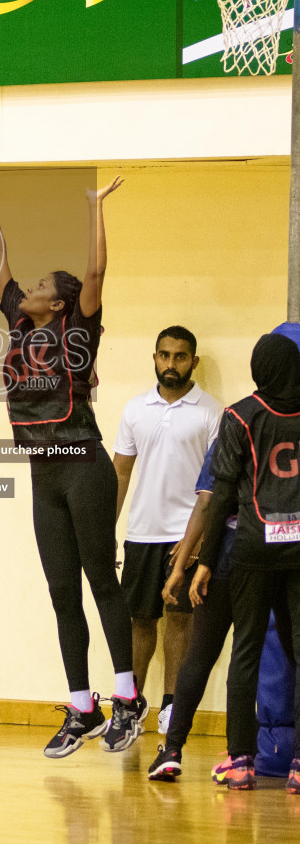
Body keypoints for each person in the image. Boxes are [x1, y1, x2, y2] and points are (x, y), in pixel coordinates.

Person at [0, 140, 147, 756]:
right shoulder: (21, 325)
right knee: (59, 590)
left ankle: (128, 697)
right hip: (42, 473)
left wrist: (95, 206)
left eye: (42, 284)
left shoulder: (79, 327)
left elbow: (96, 274)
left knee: (101, 580)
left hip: (84, 465)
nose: (29, 288)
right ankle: (83, 705)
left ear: (60, 302)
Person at [190, 333, 300, 794]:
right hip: (298, 552)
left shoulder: (239, 415)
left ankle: (240, 761)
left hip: (252, 550)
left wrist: (205, 561)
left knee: (246, 651)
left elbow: (222, 500)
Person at [148, 437, 294, 782]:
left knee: (201, 652)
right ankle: (279, 762)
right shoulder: (290, 426)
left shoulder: (239, 423)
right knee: (278, 653)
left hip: (231, 548)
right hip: (284, 550)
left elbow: (207, 504)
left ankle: (174, 750)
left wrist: (184, 564)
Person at [113, 327, 221, 732]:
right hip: (142, 532)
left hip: (186, 535)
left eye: (179, 356)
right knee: (140, 619)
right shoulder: (135, 408)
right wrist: (105, 529)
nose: (170, 364)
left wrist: (202, 539)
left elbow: (217, 485)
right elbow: (121, 471)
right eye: (164, 355)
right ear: (154, 357)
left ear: (192, 361)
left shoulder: (212, 411)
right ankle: (131, 705)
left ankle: (172, 704)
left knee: (180, 620)